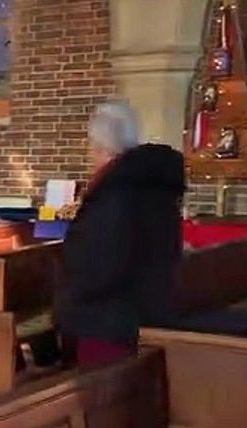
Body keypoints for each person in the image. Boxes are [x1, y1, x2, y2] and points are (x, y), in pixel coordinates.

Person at [56, 100, 185, 367]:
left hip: (107, 325)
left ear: (100, 146)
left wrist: (63, 303)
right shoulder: (156, 188)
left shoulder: (114, 195)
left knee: (105, 400)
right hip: (150, 313)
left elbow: (98, 267)